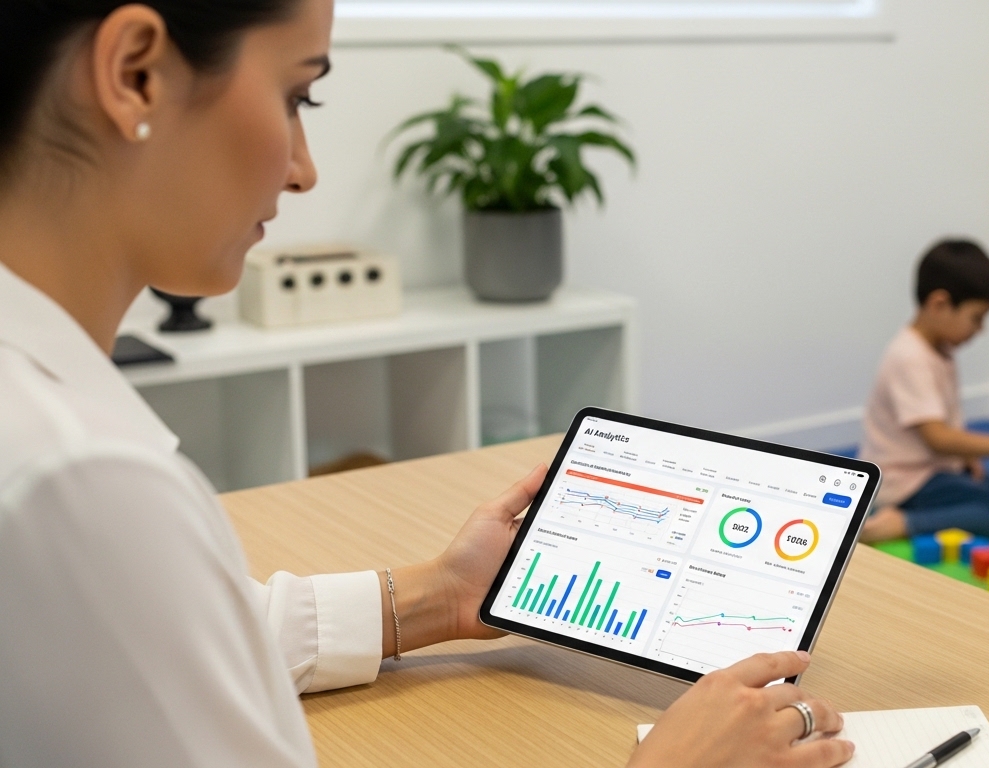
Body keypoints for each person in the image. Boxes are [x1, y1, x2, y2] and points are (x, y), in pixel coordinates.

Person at [0, 3, 853, 766]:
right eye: (298, 96)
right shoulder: (80, 482)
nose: (303, 170)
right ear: (136, 74)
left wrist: (441, 597)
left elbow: (176, 638)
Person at [859, 240, 989, 543]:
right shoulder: (909, 357)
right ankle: (902, 522)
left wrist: (967, 457)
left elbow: (944, 427)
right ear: (939, 305)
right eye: (976, 318)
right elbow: (938, 438)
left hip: (938, 472)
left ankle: (937, 508)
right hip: (904, 482)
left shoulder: (939, 350)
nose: (981, 329)